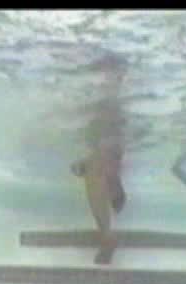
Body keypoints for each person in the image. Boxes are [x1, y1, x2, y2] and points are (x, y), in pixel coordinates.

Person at [70, 54, 127, 264]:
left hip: (107, 145)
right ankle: (111, 181)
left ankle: (106, 237)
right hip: (101, 144)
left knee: (93, 169)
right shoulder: (101, 100)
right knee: (93, 167)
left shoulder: (115, 102)